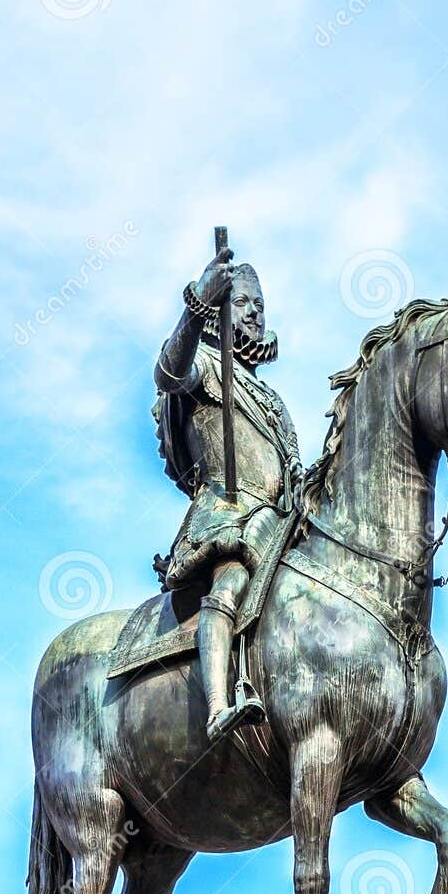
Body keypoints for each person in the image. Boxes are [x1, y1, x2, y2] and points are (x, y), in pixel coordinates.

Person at [152, 244, 301, 741]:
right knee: (233, 579)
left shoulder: (274, 402)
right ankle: (218, 705)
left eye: (260, 305)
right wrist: (197, 305)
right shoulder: (208, 369)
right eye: (242, 303)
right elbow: (169, 373)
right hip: (228, 513)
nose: (256, 313)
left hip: (278, 525)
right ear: (221, 311)